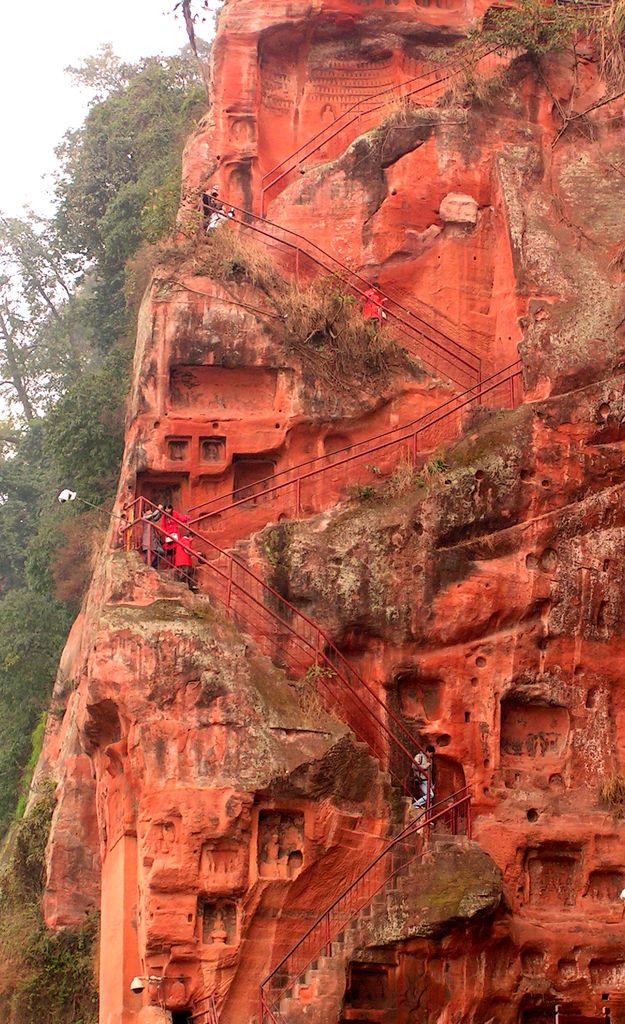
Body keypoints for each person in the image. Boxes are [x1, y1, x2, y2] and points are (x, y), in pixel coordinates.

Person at [411, 745, 436, 810]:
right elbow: (414, 766)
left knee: (426, 796)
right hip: (421, 780)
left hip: (427, 780)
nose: (431, 755)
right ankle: (415, 805)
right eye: (431, 753)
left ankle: (419, 806)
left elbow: (430, 773)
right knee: (430, 795)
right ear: (427, 751)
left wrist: (431, 784)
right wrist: (425, 766)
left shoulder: (430, 760)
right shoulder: (419, 756)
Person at [141, 504, 164, 569]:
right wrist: (158, 509)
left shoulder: (151, 519)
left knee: (161, 552)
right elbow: (153, 515)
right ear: (145, 512)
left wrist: (160, 511)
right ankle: (146, 567)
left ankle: (153, 565)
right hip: (147, 539)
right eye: (149, 510)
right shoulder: (144, 518)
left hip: (153, 540)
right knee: (148, 555)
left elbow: (156, 517)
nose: (151, 511)